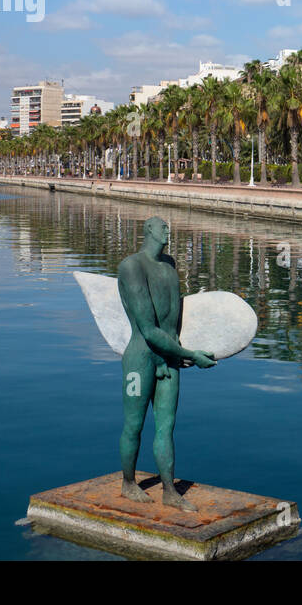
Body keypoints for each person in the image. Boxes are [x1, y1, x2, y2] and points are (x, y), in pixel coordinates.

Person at [116, 216, 216, 510]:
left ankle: (170, 491)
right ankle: (128, 482)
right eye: (162, 227)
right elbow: (148, 329)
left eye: (168, 227)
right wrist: (190, 355)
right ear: (147, 230)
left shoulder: (170, 265)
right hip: (140, 359)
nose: (167, 230)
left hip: (169, 358)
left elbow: (173, 319)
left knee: (166, 427)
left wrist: (179, 352)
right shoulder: (131, 267)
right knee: (134, 424)